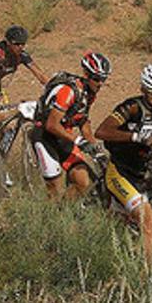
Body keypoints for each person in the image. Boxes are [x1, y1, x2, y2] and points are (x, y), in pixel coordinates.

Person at [95, 64, 152, 272]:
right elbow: (101, 132)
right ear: (145, 91)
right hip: (120, 173)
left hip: (144, 175)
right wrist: (136, 137)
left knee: (127, 221)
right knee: (147, 220)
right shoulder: (132, 108)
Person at [30, 52, 110, 200]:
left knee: (83, 181)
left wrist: (95, 148)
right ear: (86, 75)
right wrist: (79, 141)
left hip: (64, 137)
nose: (100, 83)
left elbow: (83, 121)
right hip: (44, 137)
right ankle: (49, 217)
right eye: (97, 79)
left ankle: (62, 213)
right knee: (55, 187)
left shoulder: (90, 93)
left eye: (103, 79)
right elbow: (52, 125)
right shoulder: (68, 92)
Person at [0, 25, 49, 101]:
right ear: (8, 42)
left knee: (4, 108)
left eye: (23, 44)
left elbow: (40, 75)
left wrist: (54, 87)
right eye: (17, 44)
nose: (20, 47)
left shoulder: (21, 55)